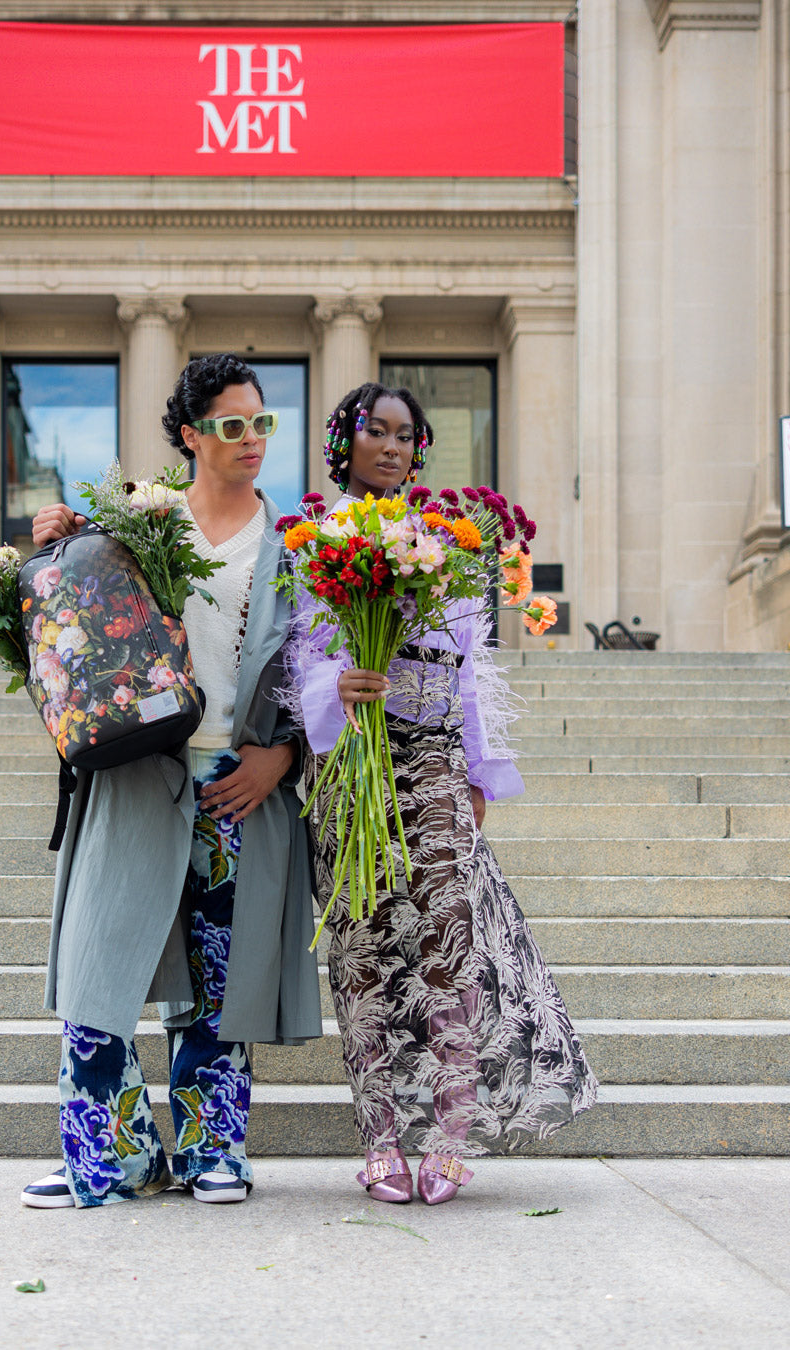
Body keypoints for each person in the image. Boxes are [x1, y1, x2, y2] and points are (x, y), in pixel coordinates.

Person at [21, 353, 321, 1210]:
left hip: (241, 782)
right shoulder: (138, 528)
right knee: (97, 971)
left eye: (263, 423)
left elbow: (322, 670)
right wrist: (60, 544)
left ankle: (210, 1151)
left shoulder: (294, 546)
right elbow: (81, 624)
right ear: (191, 436)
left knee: (219, 985)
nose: (253, 440)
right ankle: (106, 1153)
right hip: (137, 773)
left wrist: (284, 756)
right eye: (233, 426)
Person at [286, 381, 597, 1206]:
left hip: (429, 757)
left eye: (404, 435)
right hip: (347, 757)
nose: (391, 447)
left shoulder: (444, 544)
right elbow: (297, 654)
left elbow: (468, 669)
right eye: (375, 432)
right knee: (358, 941)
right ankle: (380, 1138)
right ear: (343, 443)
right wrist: (333, 688)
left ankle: (454, 1130)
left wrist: (478, 770)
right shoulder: (313, 542)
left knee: (447, 933)